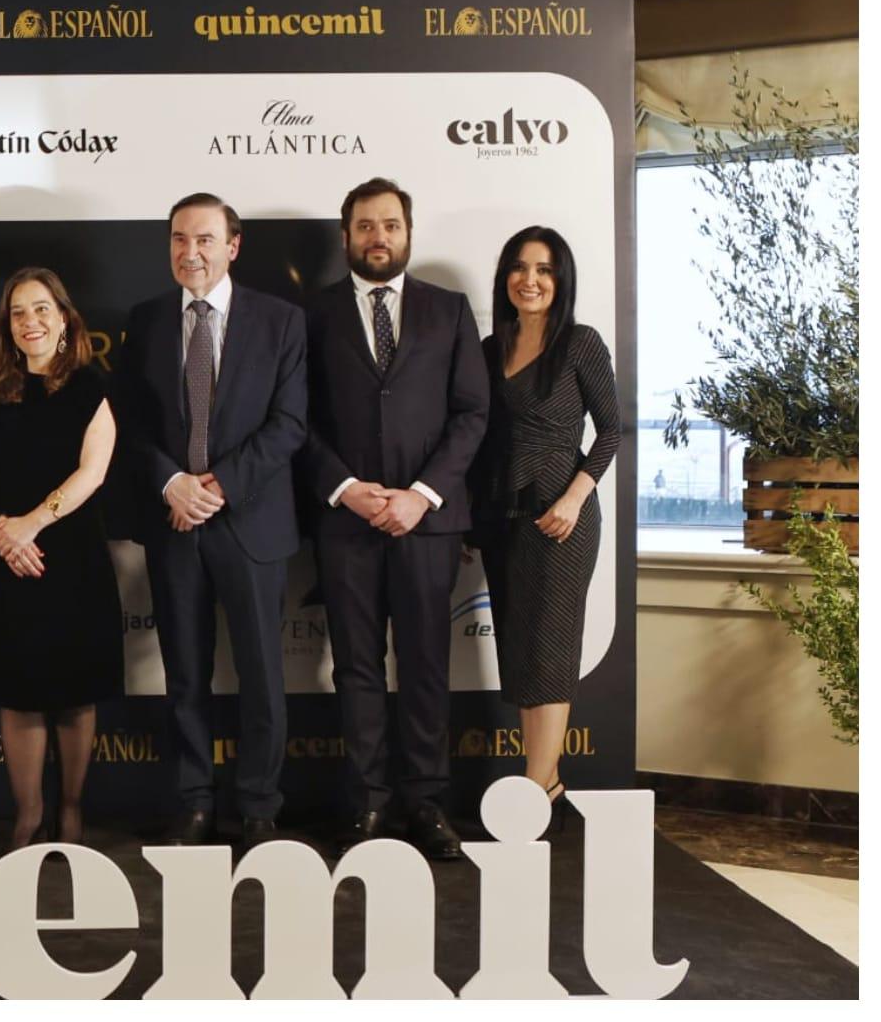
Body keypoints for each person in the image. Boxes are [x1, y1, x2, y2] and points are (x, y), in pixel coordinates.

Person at [113, 193, 308, 851]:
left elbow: (290, 424)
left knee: (261, 676)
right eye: (177, 239)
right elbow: (131, 424)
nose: (188, 252)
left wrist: (218, 485)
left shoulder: (281, 321)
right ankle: (195, 802)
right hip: (175, 521)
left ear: (233, 245)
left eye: (203, 239)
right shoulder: (146, 321)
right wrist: (173, 482)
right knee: (186, 675)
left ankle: (258, 808)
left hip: (250, 521)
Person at [304, 177, 488, 860]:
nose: (378, 237)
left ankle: (426, 802)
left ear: (409, 232)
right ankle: (368, 803)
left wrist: (422, 495)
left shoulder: (449, 310)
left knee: (425, 666)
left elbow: (473, 412)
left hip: (428, 523)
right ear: (345, 234)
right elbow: (300, 419)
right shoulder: (313, 315)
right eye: (364, 226)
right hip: (346, 520)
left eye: (390, 225)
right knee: (354, 669)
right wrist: (348, 488)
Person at [469, 226, 618, 828]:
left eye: (545, 269)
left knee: (551, 652)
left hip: (561, 520)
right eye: (520, 267)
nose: (530, 280)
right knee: (524, 654)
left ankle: (534, 790)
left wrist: (575, 499)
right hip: (501, 518)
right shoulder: (488, 347)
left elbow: (610, 431)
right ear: (506, 276)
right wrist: (468, 525)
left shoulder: (580, 343)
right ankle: (547, 783)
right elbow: (478, 442)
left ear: (561, 281)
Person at [0, 268, 121, 850]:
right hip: (7, 557)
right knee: (19, 691)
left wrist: (33, 524)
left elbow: (94, 470)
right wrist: (7, 534)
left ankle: (73, 811)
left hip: (70, 556)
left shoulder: (90, 385)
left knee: (74, 692)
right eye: (17, 313)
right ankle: (29, 817)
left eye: (40, 310)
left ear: (64, 317)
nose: (29, 322)